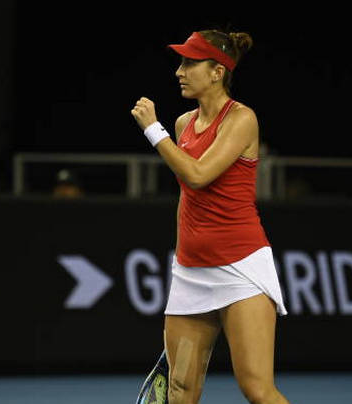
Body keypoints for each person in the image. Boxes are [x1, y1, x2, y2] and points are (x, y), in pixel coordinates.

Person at [131, 29, 290, 404]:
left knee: (257, 389)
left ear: (218, 72)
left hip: (241, 269)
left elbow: (198, 175)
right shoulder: (184, 124)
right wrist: (182, 255)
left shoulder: (242, 119)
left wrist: (153, 130)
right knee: (180, 391)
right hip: (191, 275)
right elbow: (187, 198)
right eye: (180, 63)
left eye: (190, 63)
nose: (179, 72)